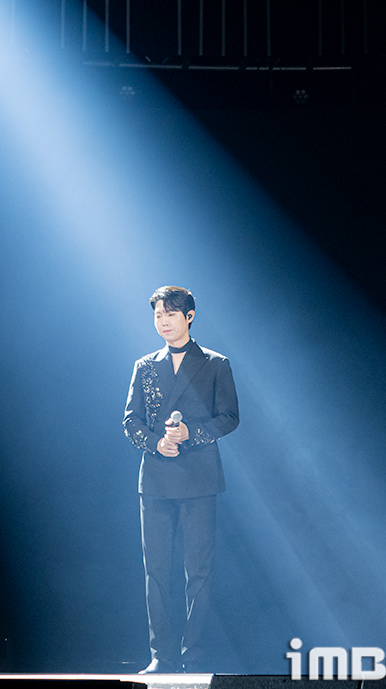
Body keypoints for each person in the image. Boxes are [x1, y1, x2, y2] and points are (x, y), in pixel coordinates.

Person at [123, 285, 239, 674]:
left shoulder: (215, 363)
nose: (163, 321)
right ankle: (162, 656)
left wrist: (193, 434)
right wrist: (157, 443)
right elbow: (130, 420)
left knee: (198, 572)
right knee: (156, 572)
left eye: (170, 314)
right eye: (158, 315)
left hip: (199, 479)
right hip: (156, 480)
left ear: (189, 317)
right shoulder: (144, 366)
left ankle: (196, 656)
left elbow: (230, 417)